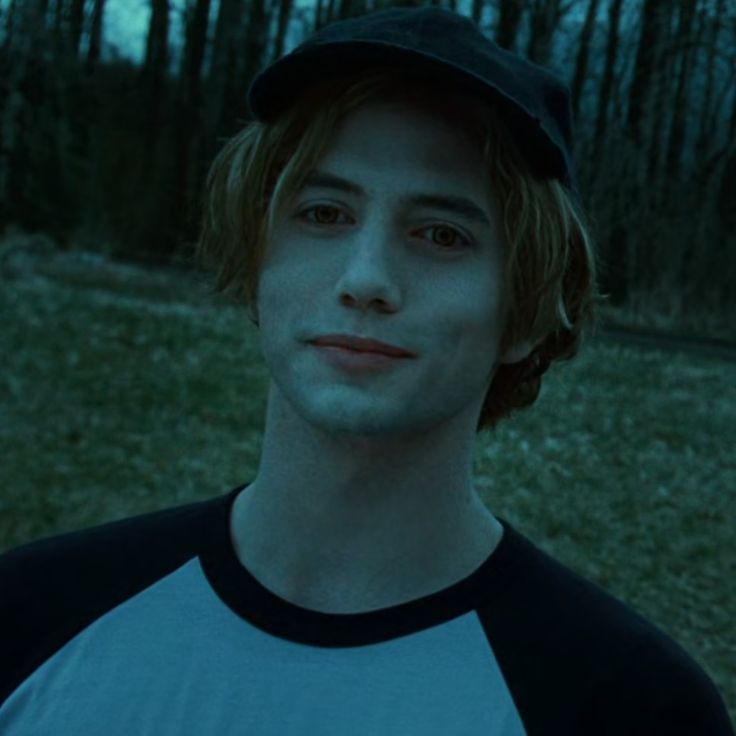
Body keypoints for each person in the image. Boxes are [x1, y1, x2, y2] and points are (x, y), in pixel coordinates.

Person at [0, 6, 732, 734]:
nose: (367, 277)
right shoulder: (30, 618)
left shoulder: (629, 708)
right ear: (257, 263)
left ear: (529, 311)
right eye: (324, 214)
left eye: (441, 234)